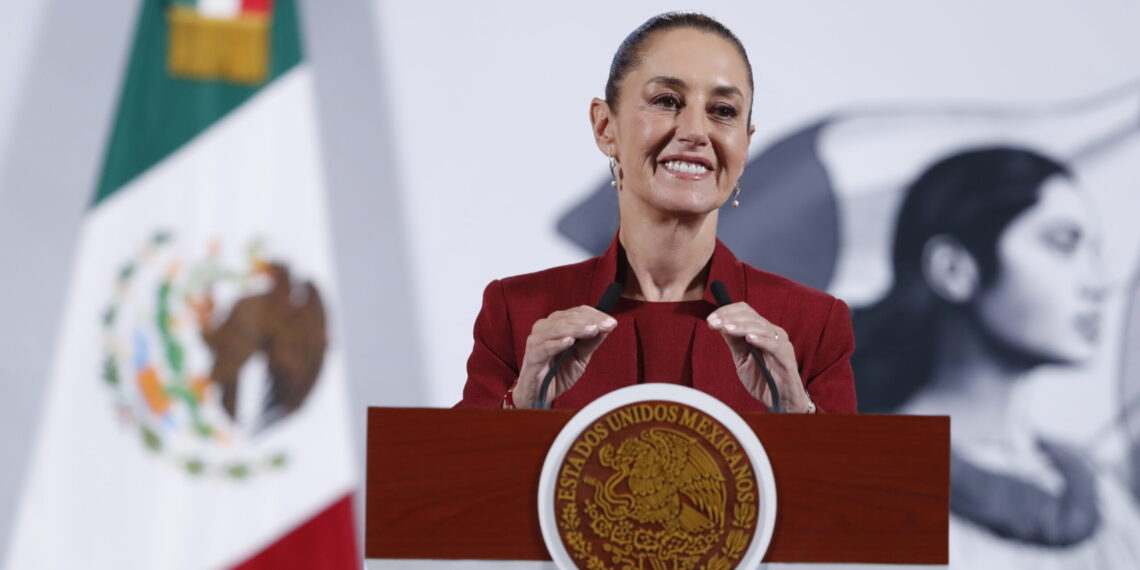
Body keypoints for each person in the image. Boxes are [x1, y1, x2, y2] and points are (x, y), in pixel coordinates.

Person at [456, 12, 857, 413]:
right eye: (667, 101)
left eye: (723, 110)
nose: (696, 131)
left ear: (745, 145)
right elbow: (452, 471)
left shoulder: (813, 324)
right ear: (604, 126)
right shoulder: (515, 312)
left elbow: (855, 476)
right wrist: (519, 407)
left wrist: (799, 413)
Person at [853, 147, 1140, 567]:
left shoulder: (1102, 494)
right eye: (1062, 245)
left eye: (1094, 253)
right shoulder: (853, 484)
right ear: (954, 269)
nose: (1097, 283)